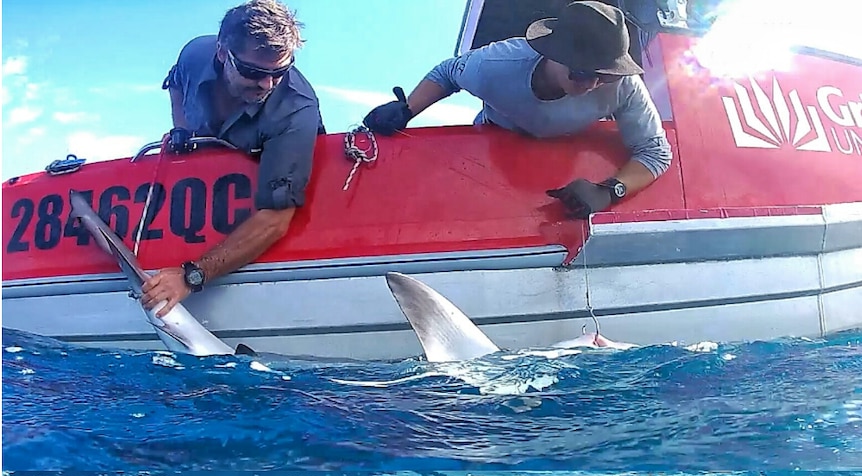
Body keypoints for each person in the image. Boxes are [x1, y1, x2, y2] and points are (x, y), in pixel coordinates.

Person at [363, 1, 672, 219]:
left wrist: (608, 191)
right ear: (553, 54)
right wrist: (407, 109)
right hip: (494, 151)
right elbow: (447, 73)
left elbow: (656, 153)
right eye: (582, 73)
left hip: (563, 166)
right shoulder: (495, 66)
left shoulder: (625, 87)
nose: (593, 84)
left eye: (604, 75)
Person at [142, 0, 325, 317]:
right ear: (222, 52)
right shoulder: (194, 53)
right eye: (253, 72)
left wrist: (191, 276)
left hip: (282, 174)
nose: (267, 84)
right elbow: (175, 84)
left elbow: (275, 219)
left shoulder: (297, 108)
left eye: (280, 71)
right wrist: (182, 130)